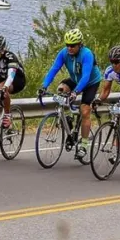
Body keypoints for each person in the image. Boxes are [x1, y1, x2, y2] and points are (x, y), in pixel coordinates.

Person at [39, 29, 104, 161]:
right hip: (75, 80)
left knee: (85, 111)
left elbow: (85, 76)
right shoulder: (64, 53)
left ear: (80, 44)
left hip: (90, 82)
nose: (69, 48)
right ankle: (68, 116)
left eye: (73, 45)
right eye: (67, 45)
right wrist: (44, 86)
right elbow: (54, 69)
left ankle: (84, 145)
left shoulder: (87, 54)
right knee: (61, 89)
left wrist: (76, 92)